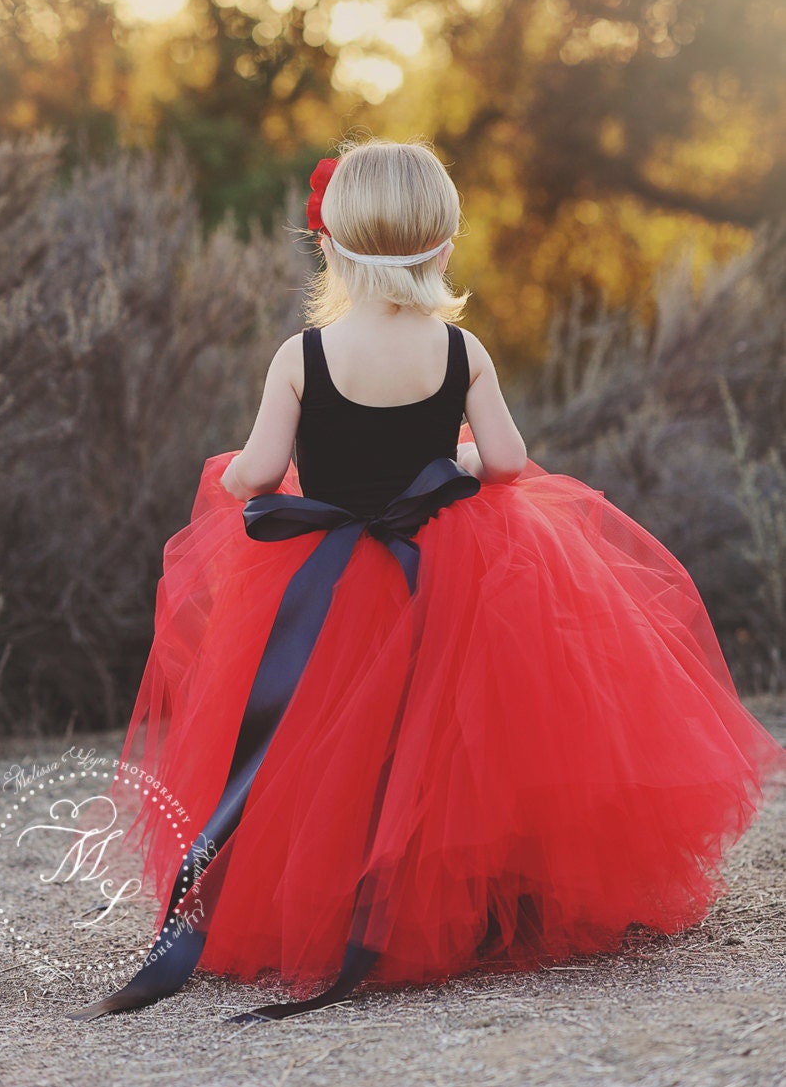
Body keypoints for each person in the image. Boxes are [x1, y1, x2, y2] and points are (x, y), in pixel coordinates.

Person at [70, 138, 786, 1024]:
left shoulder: (303, 356)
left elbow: (256, 472)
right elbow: (511, 461)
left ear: (326, 244)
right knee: (461, 732)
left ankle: (321, 901)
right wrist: (453, 457)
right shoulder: (460, 349)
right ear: (442, 249)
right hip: (444, 562)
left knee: (327, 743)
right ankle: (482, 903)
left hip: (326, 576)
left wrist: (230, 486)